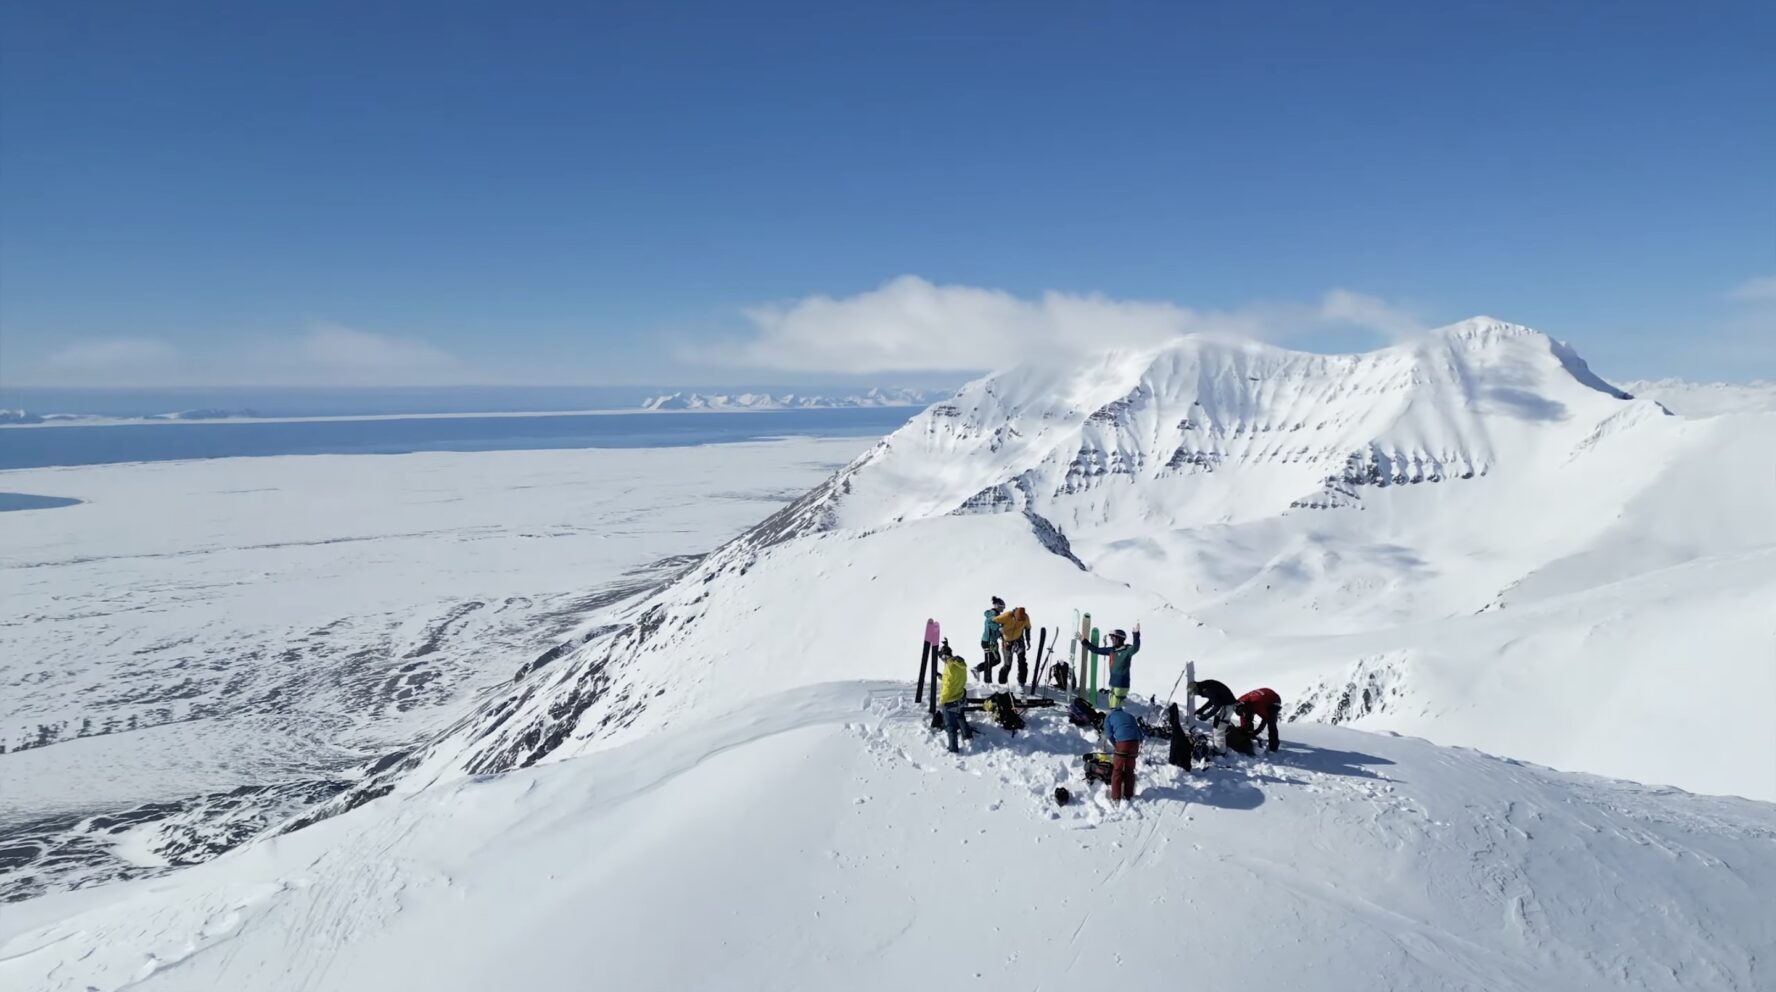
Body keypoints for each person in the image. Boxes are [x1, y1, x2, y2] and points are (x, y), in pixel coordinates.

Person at [1079, 624, 1141, 709]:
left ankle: (1116, 720)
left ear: (1120, 639)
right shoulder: (1112, 650)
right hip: (1113, 683)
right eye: (1111, 638)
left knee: (1115, 708)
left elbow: (1136, 647)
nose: (1112, 640)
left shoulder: (1127, 650)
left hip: (1121, 684)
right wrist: (1084, 641)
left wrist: (1136, 634)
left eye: (1113, 638)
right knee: (1113, 707)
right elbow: (1095, 650)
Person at [938, 647, 974, 754]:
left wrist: (942, 700)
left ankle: (953, 748)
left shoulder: (949, 667)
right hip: (960, 696)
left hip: (950, 700)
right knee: (960, 716)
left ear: (944, 656)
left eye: (941, 657)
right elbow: (955, 678)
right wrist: (942, 677)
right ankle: (967, 736)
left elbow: (947, 686)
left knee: (950, 726)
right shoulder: (960, 664)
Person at [1103, 705, 1142, 802]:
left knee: (1117, 770)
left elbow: (1108, 734)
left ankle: (1116, 798)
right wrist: (1137, 742)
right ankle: (1129, 796)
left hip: (1122, 744)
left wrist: (1116, 744)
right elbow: (1140, 733)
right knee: (1130, 770)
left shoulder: (1109, 717)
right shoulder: (1130, 716)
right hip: (1135, 743)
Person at [991, 605, 1032, 687]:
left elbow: (1028, 628)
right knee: (1007, 665)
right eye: (1019, 619)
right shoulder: (1007, 616)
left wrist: (1028, 641)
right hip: (1007, 643)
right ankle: (1002, 684)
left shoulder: (1026, 617)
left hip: (1019, 642)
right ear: (1014, 616)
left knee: (1022, 662)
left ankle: (1021, 683)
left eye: (1022, 619)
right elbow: (992, 621)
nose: (1020, 621)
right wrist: (998, 629)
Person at [1235, 687, 1283, 753]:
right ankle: (1248, 734)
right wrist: (1245, 731)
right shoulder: (1239, 701)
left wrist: (1258, 731)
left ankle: (1273, 748)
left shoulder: (1257, 706)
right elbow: (1243, 717)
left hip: (1274, 700)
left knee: (1271, 723)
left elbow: (1266, 718)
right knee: (1247, 717)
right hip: (1262, 696)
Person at [975, 597, 1005, 679]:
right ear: (997, 606)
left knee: (996, 660)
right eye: (1001, 607)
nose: (1002, 609)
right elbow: (989, 622)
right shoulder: (992, 613)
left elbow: (996, 628)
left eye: (1003, 607)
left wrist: (1001, 634)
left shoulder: (998, 615)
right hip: (987, 641)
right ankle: (987, 682)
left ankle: (977, 669)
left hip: (993, 642)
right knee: (989, 662)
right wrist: (998, 628)